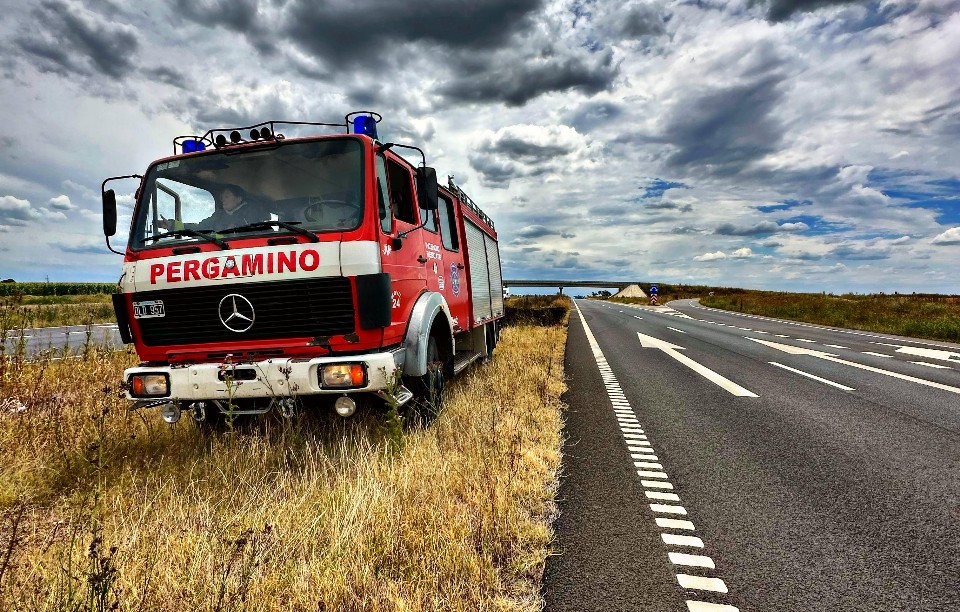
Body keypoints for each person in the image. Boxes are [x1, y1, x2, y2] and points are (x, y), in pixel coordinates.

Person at [160, 185, 266, 232]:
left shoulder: (251, 214)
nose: (223, 200)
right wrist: (172, 225)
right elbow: (199, 228)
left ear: (238, 199)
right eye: (222, 197)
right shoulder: (218, 216)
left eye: (227, 196)